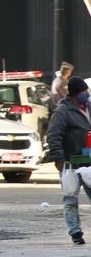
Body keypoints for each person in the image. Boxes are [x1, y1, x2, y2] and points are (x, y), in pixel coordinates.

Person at [46, 76, 91, 244]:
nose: (86, 94)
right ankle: (75, 232)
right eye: (82, 91)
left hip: (88, 159)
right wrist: (58, 158)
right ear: (74, 94)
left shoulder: (88, 107)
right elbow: (53, 136)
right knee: (71, 197)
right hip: (71, 161)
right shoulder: (63, 111)